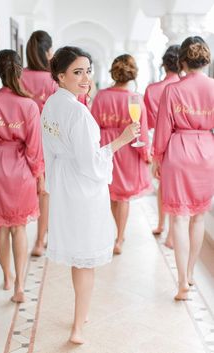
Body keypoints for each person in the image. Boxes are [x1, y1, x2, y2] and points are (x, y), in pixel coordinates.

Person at [41, 46, 140, 344]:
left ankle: (81, 315)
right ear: (60, 76)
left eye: (87, 71)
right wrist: (120, 141)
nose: (85, 78)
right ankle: (77, 327)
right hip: (82, 189)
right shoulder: (78, 112)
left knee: (78, 256)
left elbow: (50, 151)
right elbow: (91, 164)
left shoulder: (51, 105)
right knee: (85, 260)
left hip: (63, 184)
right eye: (77, 72)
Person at [0, 49, 44, 303]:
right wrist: (39, 175)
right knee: (19, 229)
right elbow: (34, 148)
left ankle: (6, 276)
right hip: (21, 170)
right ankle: (19, 286)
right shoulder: (29, 105)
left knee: (2, 229)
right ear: (20, 71)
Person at [152, 36, 214, 300]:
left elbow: (164, 129)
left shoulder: (172, 90)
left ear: (183, 61)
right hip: (206, 151)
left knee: (179, 218)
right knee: (198, 216)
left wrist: (157, 157)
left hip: (178, 150)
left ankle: (182, 284)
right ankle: (190, 273)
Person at [91, 54, 152, 255]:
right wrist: (146, 154)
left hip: (108, 146)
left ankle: (115, 233)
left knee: (112, 193)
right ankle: (119, 237)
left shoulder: (101, 96)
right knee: (123, 196)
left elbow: (93, 125)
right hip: (128, 148)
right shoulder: (136, 99)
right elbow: (141, 130)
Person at [21, 30, 58, 257]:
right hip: (47, 140)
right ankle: (39, 240)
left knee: (27, 190)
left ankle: (22, 234)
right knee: (45, 192)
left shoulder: (19, 77)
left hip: (22, 140)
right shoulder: (52, 79)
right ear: (46, 51)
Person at [144, 45, 180, 248]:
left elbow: (149, 122)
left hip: (160, 140)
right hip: (183, 143)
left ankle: (160, 224)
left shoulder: (152, 89)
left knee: (163, 186)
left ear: (164, 65)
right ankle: (173, 235)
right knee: (178, 190)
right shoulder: (182, 87)